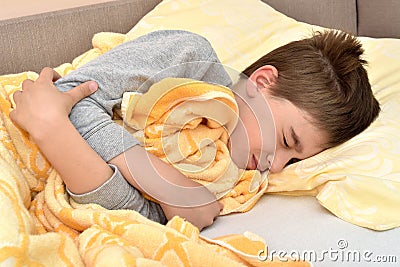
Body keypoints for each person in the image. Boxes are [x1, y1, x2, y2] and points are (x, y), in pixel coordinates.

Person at [10, 29, 380, 230]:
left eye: (296, 158)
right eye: (287, 140)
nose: (277, 165)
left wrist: (54, 130)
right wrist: (158, 178)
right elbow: (61, 99)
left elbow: (134, 215)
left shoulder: (228, 176)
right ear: (263, 81)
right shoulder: (191, 60)